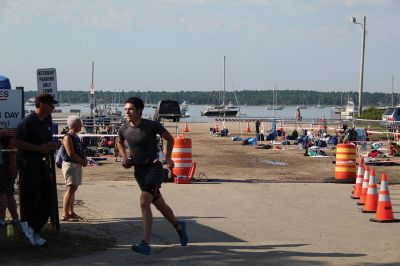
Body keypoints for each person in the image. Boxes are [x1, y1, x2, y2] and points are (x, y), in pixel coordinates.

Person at [117, 96, 188, 255]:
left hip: (154, 168)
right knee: (159, 204)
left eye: (130, 109)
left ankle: (145, 243)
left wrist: (168, 157)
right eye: (126, 109)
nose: (127, 112)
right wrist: (124, 157)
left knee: (144, 202)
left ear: (139, 111)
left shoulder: (152, 125)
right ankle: (179, 226)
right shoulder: (123, 129)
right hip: (139, 171)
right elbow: (119, 142)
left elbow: (170, 138)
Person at [15, 93, 58, 246]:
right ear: (41, 104)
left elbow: (45, 142)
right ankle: (27, 230)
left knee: (49, 195)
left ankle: (32, 230)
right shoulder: (28, 121)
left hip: (41, 163)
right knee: (31, 198)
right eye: (50, 104)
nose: (53, 107)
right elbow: (17, 142)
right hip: (29, 164)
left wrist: (51, 146)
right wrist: (38, 148)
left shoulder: (43, 122)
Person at [61, 116, 87, 222]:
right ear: (74, 124)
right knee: (70, 188)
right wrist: (82, 161)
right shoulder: (67, 137)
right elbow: (70, 153)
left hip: (77, 165)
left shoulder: (75, 136)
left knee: (73, 189)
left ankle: (71, 212)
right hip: (70, 165)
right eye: (79, 123)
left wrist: (83, 159)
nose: (81, 125)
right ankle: (65, 214)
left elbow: (79, 150)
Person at [0, 128, 20, 231]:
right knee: (7, 192)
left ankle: (3, 222)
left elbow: (13, 140)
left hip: (6, 163)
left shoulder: (9, 126)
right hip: (7, 162)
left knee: (4, 192)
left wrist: (13, 161)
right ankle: (15, 220)